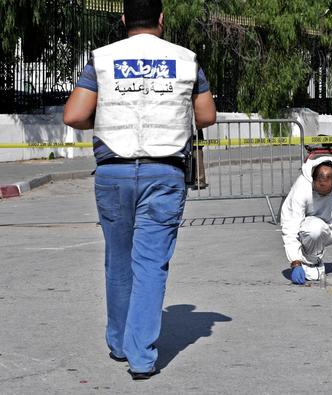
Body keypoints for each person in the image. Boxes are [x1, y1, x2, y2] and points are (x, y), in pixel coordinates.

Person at [63, 0, 216, 380]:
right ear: (162, 20)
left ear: (123, 20)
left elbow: (75, 115)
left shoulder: (101, 59)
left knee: (118, 259)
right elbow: (207, 116)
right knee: (150, 265)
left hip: (113, 172)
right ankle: (142, 357)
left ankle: (118, 342)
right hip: (165, 173)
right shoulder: (186, 60)